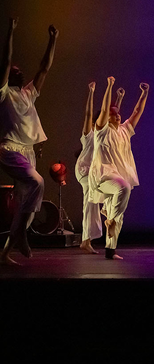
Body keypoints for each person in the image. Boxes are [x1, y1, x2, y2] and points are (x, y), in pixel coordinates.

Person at [0, 18, 58, 265]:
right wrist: (10, 34)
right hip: (9, 149)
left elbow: (44, 68)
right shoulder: (3, 93)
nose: (20, 72)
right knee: (37, 181)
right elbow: (5, 61)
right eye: (15, 71)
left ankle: (4, 254)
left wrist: (53, 40)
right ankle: (22, 235)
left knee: (27, 208)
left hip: (28, 151)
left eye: (20, 71)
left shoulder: (28, 94)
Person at [88, 77, 148, 260]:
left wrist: (144, 94)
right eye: (113, 114)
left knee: (120, 214)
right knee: (124, 187)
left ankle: (110, 250)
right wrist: (109, 86)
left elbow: (137, 111)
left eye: (118, 113)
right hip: (103, 177)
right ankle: (111, 219)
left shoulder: (125, 130)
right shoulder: (101, 131)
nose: (117, 115)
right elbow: (105, 108)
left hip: (118, 176)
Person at [75, 83, 125, 254]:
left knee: (102, 198)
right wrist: (91, 92)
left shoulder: (107, 131)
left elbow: (114, 116)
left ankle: (95, 233)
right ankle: (86, 240)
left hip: (98, 171)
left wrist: (119, 98)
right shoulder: (91, 132)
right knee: (90, 202)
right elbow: (89, 113)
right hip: (85, 170)